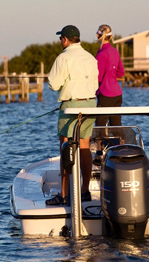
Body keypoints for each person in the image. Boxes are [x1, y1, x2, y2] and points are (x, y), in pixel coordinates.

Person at [46, 25, 98, 205]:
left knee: (65, 147)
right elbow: (95, 84)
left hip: (71, 106)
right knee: (84, 146)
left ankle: (64, 194)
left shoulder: (64, 57)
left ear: (65, 40)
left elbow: (53, 84)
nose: (60, 41)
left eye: (61, 38)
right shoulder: (91, 58)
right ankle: (84, 191)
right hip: (91, 104)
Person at [93, 25, 125, 162]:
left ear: (98, 36)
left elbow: (98, 77)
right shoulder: (115, 52)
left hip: (105, 93)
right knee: (116, 123)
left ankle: (99, 153)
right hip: (117, 93)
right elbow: (121, 72)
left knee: (100, 124)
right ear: (111, 37)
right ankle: (121, 150)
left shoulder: (100, 54)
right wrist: (111, 77)